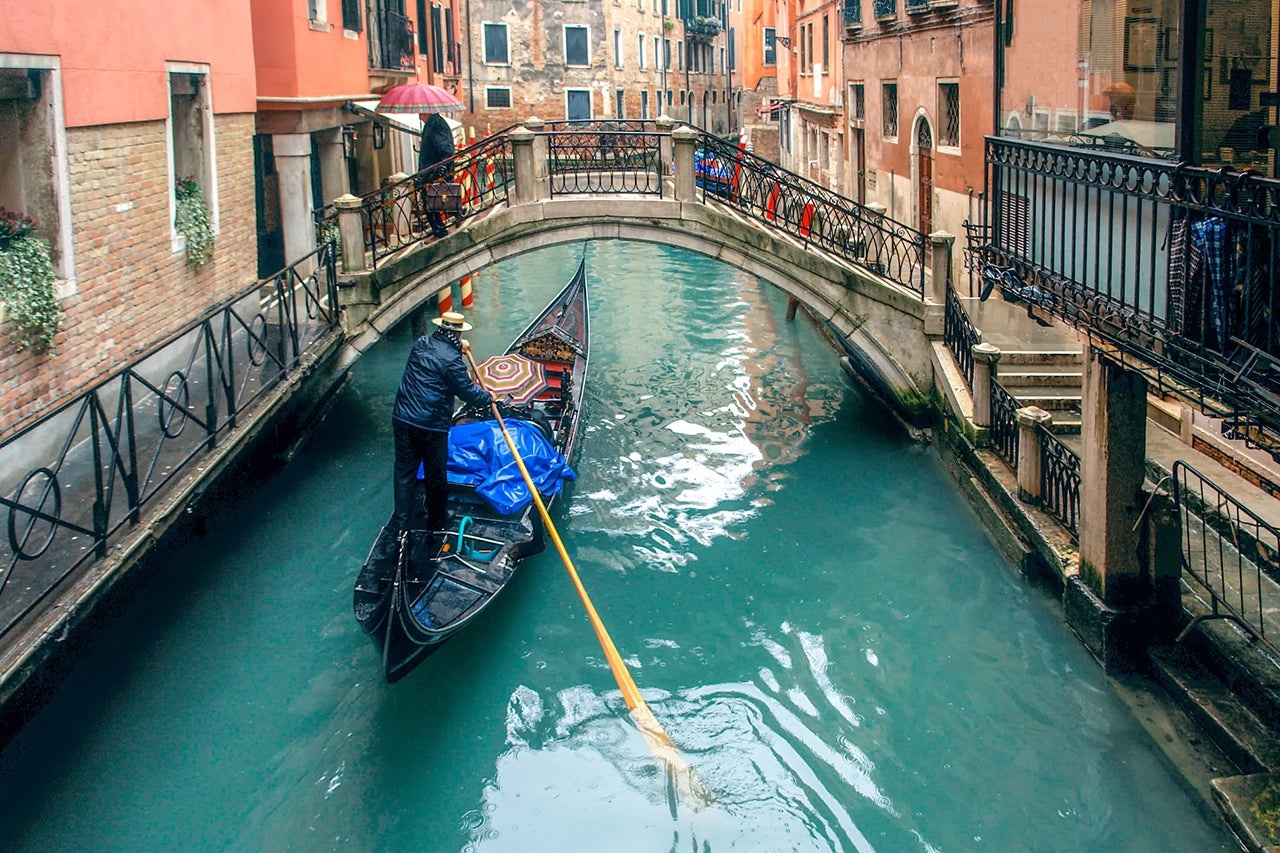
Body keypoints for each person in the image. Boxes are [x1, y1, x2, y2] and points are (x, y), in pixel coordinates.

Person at [385, 311, 492, 554]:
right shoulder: (453, 361)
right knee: (436, 477)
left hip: (402, 418)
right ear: (456, 332)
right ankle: (436, 525)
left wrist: (457, 345)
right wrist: (490, 397)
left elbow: (440, 349)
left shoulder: (420, 344)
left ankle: (401, 529)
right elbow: (469, 394)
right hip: (430, 426)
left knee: (404, 474)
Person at [417, 112, 456, 238]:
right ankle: (456, 212)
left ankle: (439, 232)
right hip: (430, 170)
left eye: (420, 111)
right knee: (434, 200)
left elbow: (445, 148)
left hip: (433, 171)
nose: (418, 115)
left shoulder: (436, 124)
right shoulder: (433, 124)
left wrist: (443, 167)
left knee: (429, 202)